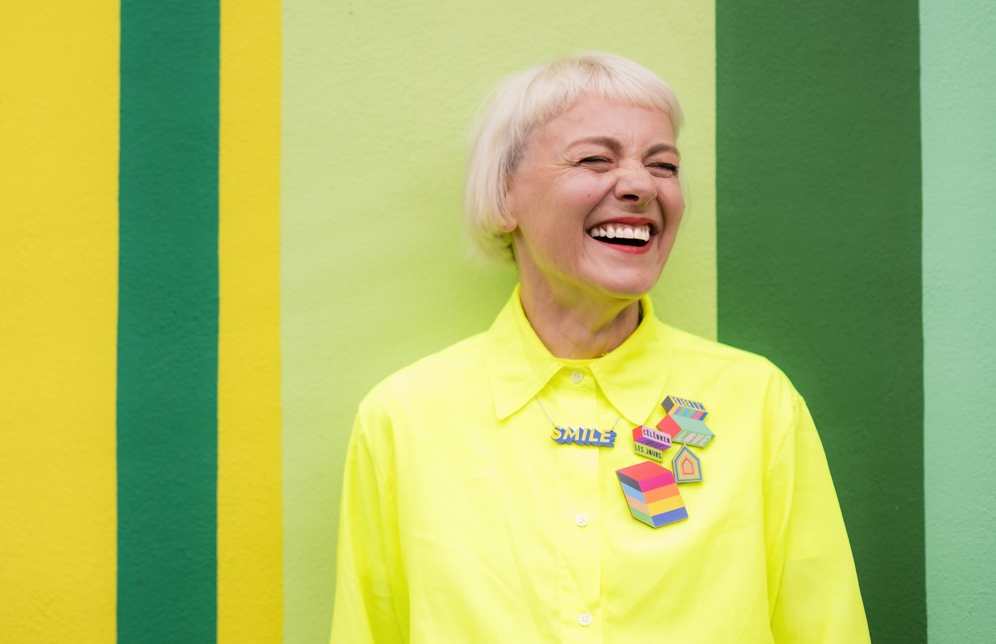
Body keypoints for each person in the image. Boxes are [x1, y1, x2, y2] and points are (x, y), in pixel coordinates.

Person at [330, 53, 869, 643]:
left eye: (663, 166)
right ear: (504, 195)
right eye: (595, 159)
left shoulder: (758, 402)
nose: (640, 185)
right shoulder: (404, 420)